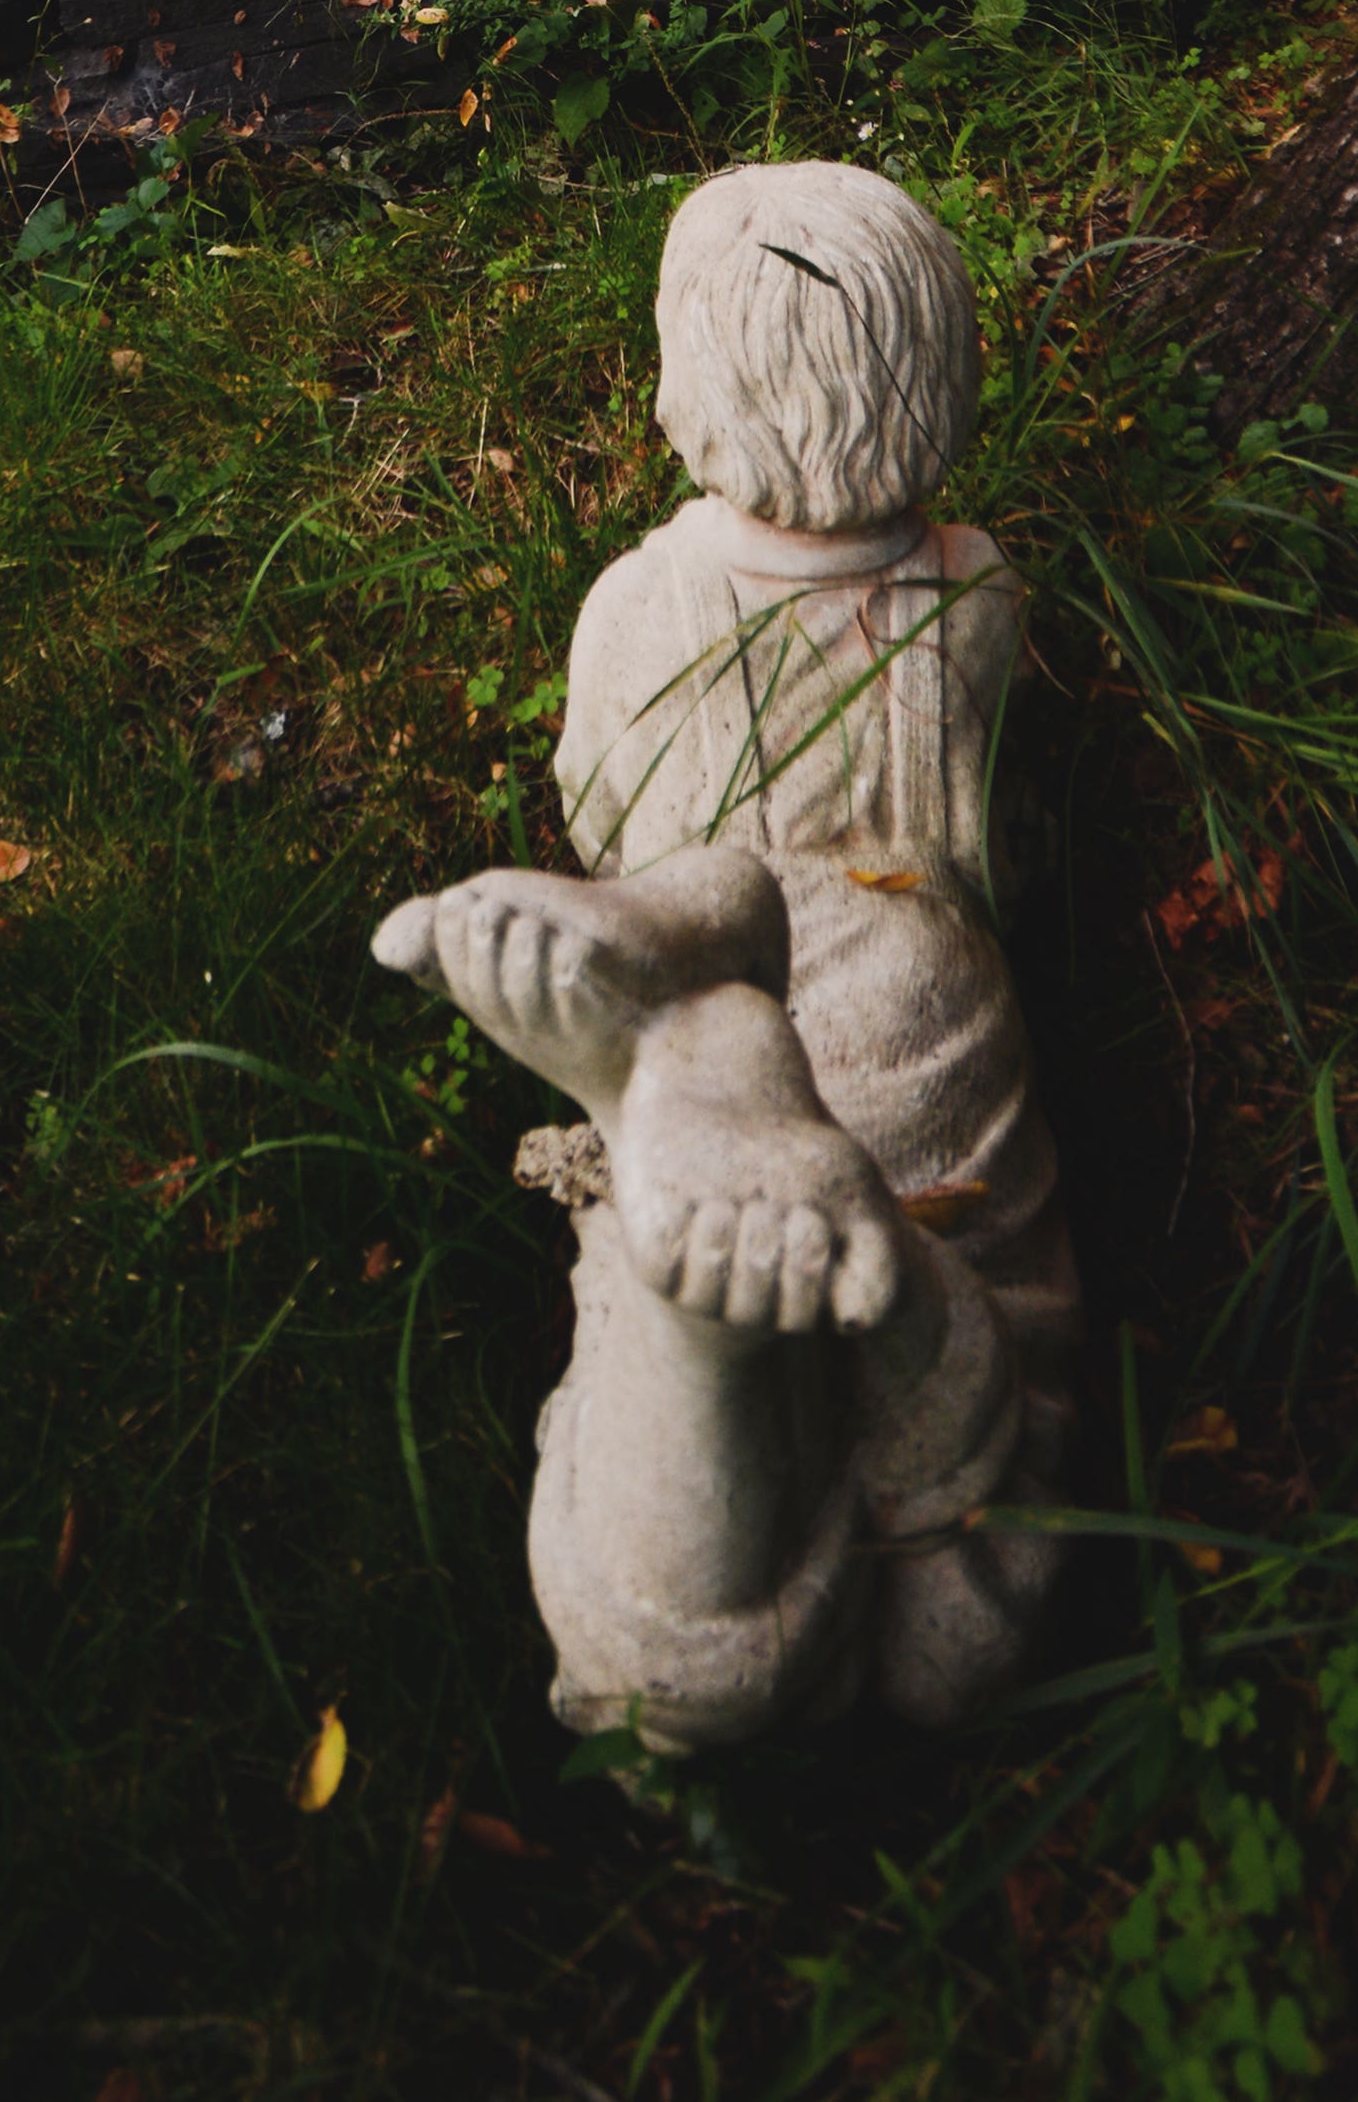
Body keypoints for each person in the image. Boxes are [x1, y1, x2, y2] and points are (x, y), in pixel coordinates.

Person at [373, 159, 1076, 1747]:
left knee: (698, 1579)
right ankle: (877, 1301)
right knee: (965, 1549)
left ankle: (683, 1182)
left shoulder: (641, 603)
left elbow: (600, 798)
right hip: (929, 1006)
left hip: (712, 961)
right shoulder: (978, 598)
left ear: (700, 388)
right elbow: (996, 849)